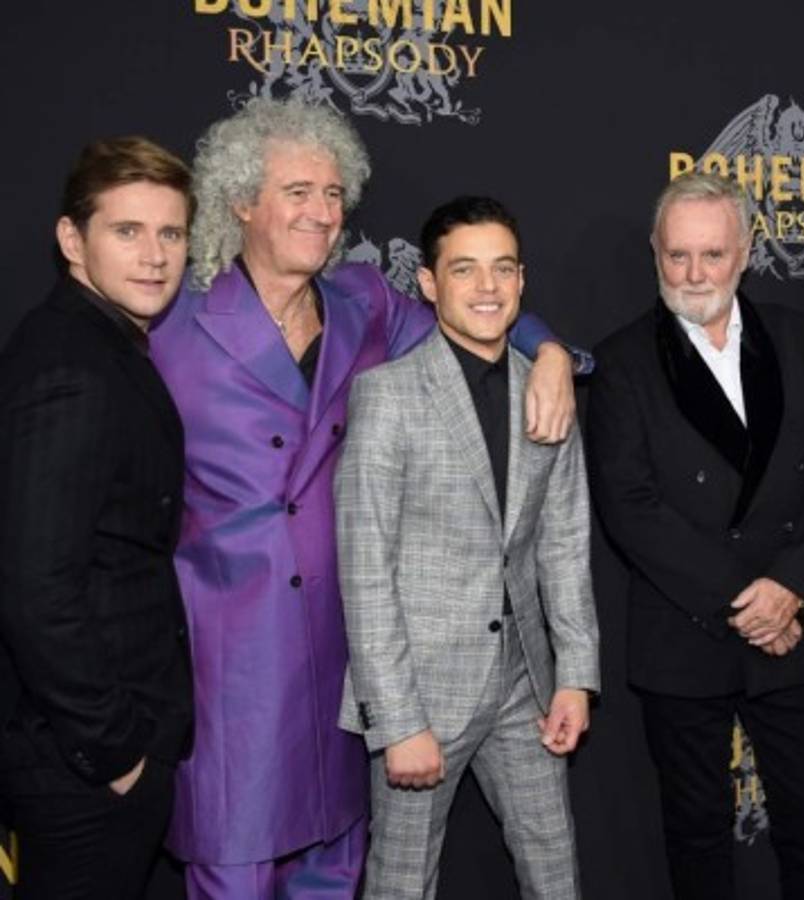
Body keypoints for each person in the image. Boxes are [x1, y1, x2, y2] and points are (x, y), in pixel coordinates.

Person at [150, 98, 579, 898]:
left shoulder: (362, 301)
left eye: (333, 193)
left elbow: (476, 314)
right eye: (297, 192)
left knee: (338, 865)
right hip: (230, 655)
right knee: (232, 867)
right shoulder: (174, 316)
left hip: (349, 650)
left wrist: (550, 349)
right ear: (242, 200)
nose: (322, 211)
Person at [586, 171, 804, 899]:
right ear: (654, 252)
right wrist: (749, 600)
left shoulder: (795, 335)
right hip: (686, 633)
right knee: (698, 838)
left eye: (712, 254)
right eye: (677, 255)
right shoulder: (621, 362)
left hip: (792, 631)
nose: (694, 272)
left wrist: (792, 589)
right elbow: (630, 508)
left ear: (744, 251)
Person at [336, 196, 600, 899]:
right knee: (400, 882)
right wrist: (397, 722)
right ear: (429, 284)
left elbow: (564, 546)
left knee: (555, 872)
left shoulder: (549, 392)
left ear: (521, 281)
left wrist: (574, 673)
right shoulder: (386, 396)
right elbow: (365, 572)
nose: (487, 288)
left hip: (526, 684)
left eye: (502, 269)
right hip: (421, 694)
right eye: (465, 270)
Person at [0, 137, 194, 898]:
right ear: (71, 240)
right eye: (127, 231)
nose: (154, 257)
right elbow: (33, 585)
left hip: (84, 748)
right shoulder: (71, 369)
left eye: (170, 233)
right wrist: (112, 752)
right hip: (78, 759)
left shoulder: (99, 344)